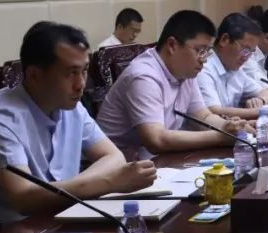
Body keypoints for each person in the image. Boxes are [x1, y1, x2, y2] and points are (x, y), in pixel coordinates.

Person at [0, 22, 156, 231]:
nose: (81, 84)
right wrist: (108, 183)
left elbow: (113, 157)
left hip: (56, 219)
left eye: (84, 71)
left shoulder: (70, 105)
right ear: (34, 75)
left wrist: (89, 185)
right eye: (70, 73)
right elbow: (24, 198)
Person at [97, 10, 255, 159]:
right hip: (118, 165)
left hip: (155, 162)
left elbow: (203, 117)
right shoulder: (143, 76)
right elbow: (156, 140)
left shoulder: (185, 72)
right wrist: (221, 137)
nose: (204, 59)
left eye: (207, 52)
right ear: (172, 45)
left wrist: (232, 127)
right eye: (200, 51)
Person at [197, 13, 268, 122]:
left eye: (251, 52)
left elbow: (267, 93)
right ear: (224, 40)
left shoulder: (235, 69)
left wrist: (260, 100)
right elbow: (214, 111)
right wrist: (264, 112)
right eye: (245, 50)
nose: (246, 57)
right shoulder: (203, 68)